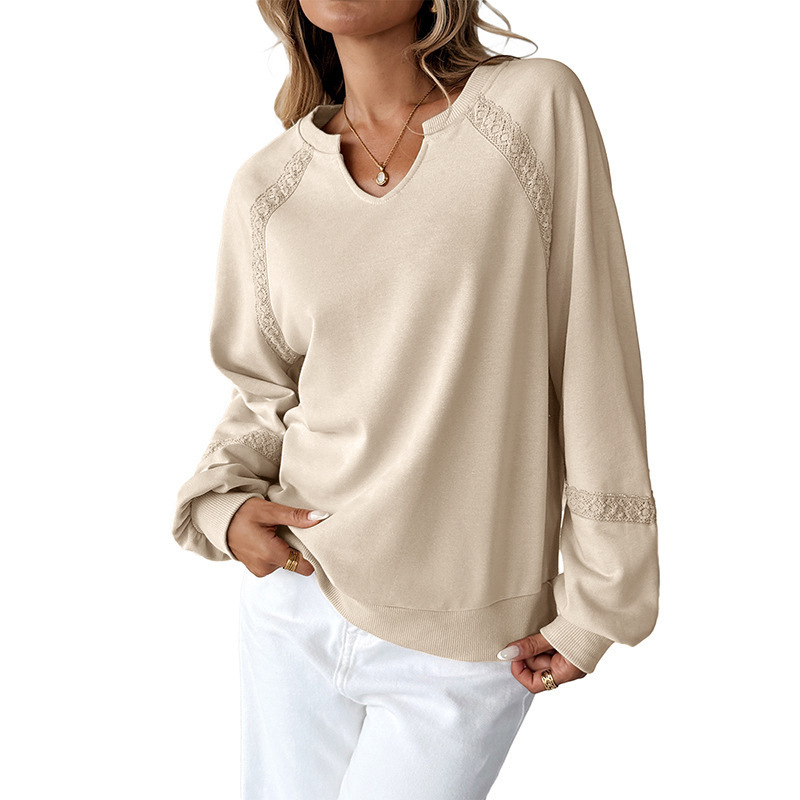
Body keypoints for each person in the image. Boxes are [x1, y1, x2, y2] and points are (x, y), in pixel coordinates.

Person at [171, 1, 660, 798]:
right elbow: (266, 395)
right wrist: (220, 508)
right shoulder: (267, 189)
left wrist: (602, 601)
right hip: (296, 598)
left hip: (465, 635)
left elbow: (596, 350)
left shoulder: (533, 110)